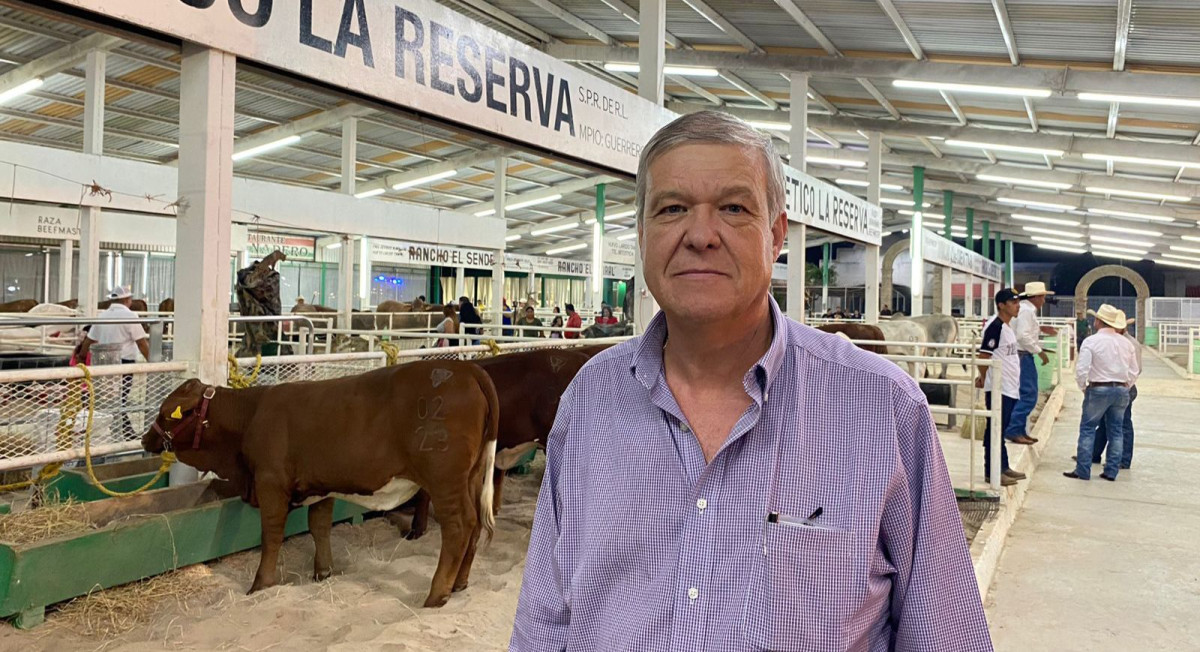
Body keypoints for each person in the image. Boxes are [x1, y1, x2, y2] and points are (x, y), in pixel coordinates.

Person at [511, 110, 991, 650]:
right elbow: (545, 617)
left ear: (777, 234)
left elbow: (946, 631)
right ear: (642, 233)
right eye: (672, 209)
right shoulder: (591, 398)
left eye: (734, 208)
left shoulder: (882, 408)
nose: (700, 235)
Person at [1065, 304, 1140, 482]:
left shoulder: (1091, 342)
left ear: (1098, 321)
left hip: (1098, 387)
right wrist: (1125, 386)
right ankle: (1111, 471)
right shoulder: (1127, 343)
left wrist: (1084, 387)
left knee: (1088, 429)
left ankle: (1083, 470)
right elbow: (1134, 371)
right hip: (1121, 389)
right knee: (1116, 431)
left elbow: (1082, 369)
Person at [77, 286, 151, 439]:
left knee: (109, 399)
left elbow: (88, 340)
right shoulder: (130, 316)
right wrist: (154, 362)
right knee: (120, 399)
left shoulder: (102, 316)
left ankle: (121, 431)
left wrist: (82, 357)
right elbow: (141, 343)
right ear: (126, 300)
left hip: (104, 364)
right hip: (124, 363)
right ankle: (122, 432)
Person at [975, 288, 1026, 487]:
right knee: (995, 429)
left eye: (1017, 302)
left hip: (1009, 386)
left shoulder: (1006, 327)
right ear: (1001, 305)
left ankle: (1003, 466)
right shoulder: (995, 326)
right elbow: (984, 357)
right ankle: (992, 471)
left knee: (1000, 428)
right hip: (999, 388)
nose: (1017, 305)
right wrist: (983, 378)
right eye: (1013, 302)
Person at [1006, 281, 1052, 446]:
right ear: (1037, 297)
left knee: (1023, 393)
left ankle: (1018, 430)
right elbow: (1023, 336)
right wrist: (1038, 350)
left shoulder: (1024, 310)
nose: (1044, 301)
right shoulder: (1026, 311)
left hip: (1019, 354)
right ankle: (1014, 428)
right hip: (1022, 354)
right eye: (1043, 297)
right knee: (1029, 394)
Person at [1091, 316, 1141, 469]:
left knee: (1123, 424)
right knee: (1105, 423)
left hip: (1123, 387)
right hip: (1117, 386)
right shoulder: (1118, 341)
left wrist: (1125, 385)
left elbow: (1136, 370)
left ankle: (1123, 459)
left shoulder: (1130, 343)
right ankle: (1094, 454)